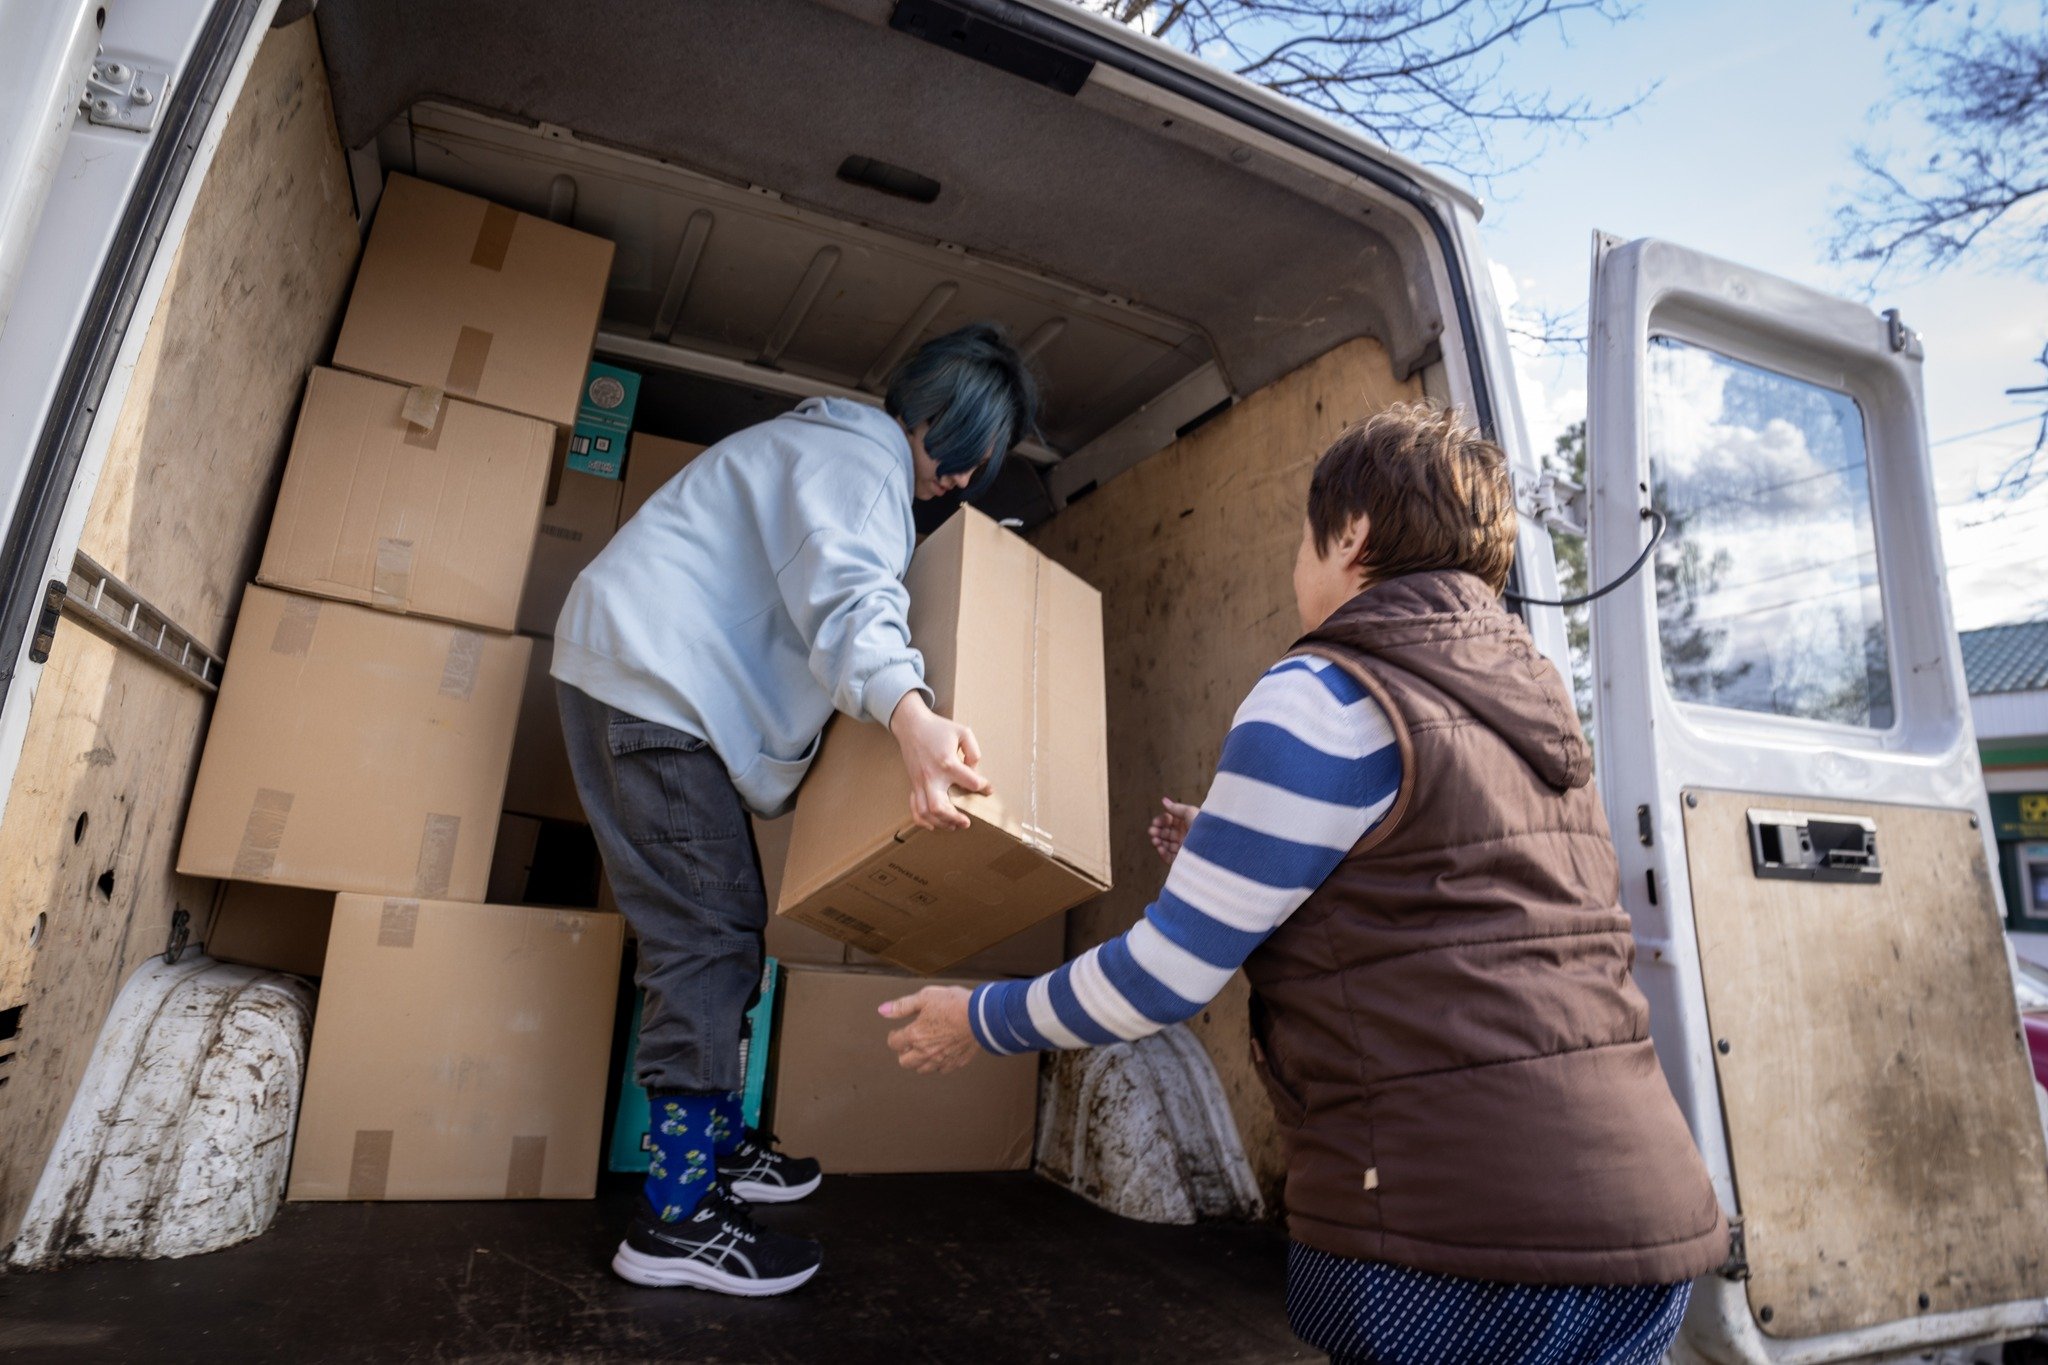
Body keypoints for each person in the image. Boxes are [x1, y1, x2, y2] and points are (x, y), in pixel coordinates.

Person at [881, 401, 1728, 1363]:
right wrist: (1238, 840)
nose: (1297, 564)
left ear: (1353, 537)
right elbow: (1442, 892)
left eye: (1303, 538)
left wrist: (978, 1019)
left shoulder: (1325, 690)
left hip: (1452, 1250)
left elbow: (1163, 980)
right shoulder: (1532, 702)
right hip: (1640, 1230)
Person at [553, 323, 1039, 1296]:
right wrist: (910, 715)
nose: (957, 481)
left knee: (723, 932)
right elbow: (850, 597)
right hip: (650, 690)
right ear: (931, 421)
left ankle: (716, 1153)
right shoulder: (855, 465)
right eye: (962, 456)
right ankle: (675, 1222)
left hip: (645, 683)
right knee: (705, 944)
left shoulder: (824, 453)